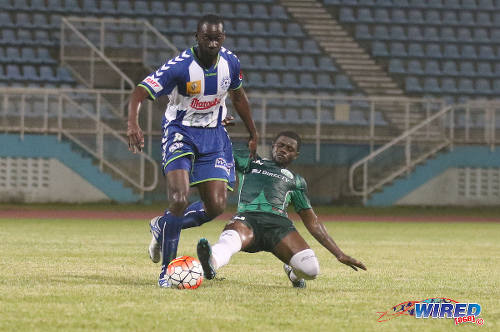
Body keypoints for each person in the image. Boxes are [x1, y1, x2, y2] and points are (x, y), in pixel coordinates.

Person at [126, 14, 258, 287]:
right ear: (196, 37)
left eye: (217, 38)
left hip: (214, 136)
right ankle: (167, 272)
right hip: (180, 133)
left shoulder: (230, 63)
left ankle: (163, 226)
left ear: (223, 38)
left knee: (216, 206)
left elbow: (238, 96)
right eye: (207, 37)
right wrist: (132, 124)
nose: (212, 43)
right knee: (179, 198)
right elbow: (140, 91)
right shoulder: (180, 67)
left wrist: (253, 132)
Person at [196, 131, 366, 288]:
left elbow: (312, 221)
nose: (284, 150)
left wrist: (338, 254)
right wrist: (217, 127)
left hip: (278, 226)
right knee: (230, 240)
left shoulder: (297, 181)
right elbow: (221, 147)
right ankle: (211, 262)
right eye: (281, 145)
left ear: (296, 155)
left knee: (311, 270)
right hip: (247, 219)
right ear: (273, 146)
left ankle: (294, 273)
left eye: (290, 148)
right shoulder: (250, 161)